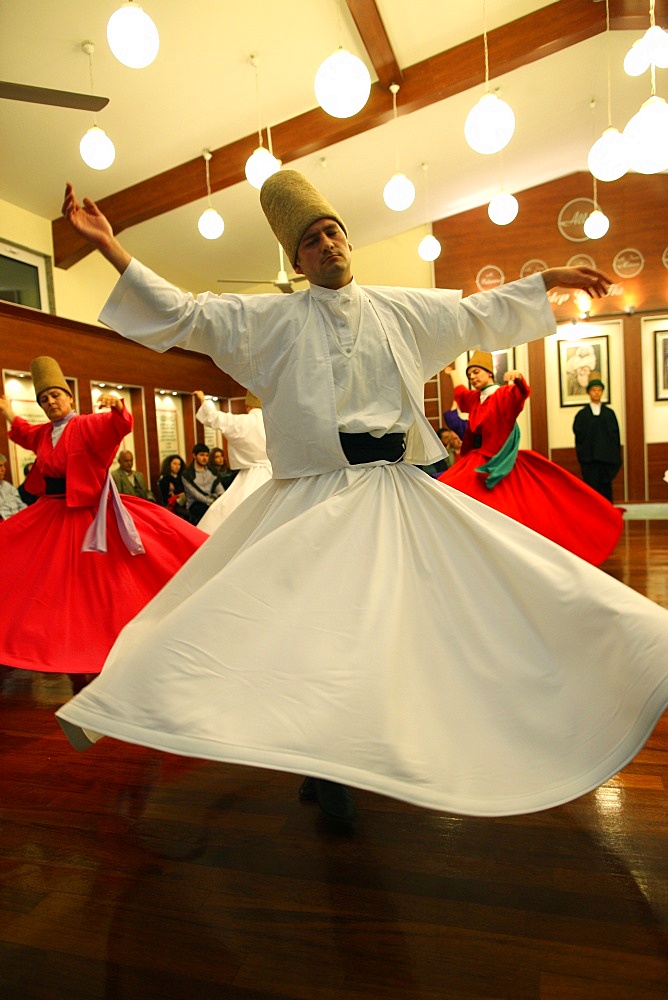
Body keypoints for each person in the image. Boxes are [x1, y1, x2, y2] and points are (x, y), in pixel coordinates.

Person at [55, 174, 668, 826]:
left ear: (347, 240)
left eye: (332, 232)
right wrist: (108, 247)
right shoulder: (267, 321)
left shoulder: (397, 308)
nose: (327, 245)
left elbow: (473, 314)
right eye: (311, 242)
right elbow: (186, 314)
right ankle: (326, 764)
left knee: (481, 592)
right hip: (313, 501)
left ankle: (608, 660)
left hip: (394, 492)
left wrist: (546, 280)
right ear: (297, 262)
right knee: (319, 635)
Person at [0, 356, 207, 684]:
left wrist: (117, 408)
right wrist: (9, 412)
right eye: (43, 399)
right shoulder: (44, 434)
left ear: (69, 397)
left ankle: (109, 643)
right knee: (29, 565)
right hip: (53, 513)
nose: (51, 403)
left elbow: (119, 426)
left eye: (55, 395)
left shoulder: (85, 425)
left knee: (101, 584)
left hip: (90, 515)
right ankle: (58, 645)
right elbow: (25, 434)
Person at [437, 355, 623, 564]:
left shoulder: (503, 394)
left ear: (489, 373)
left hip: (497, 461)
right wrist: (453, 373)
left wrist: (518, 378)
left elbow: (520, 395)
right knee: (448, 489)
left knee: (522, 512)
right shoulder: (474, 399)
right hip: (478, 460)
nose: (472, 377)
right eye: (470, 374)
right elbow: (460, 392)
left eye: (476, 372)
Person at [194, 389, 272, 534]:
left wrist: (203, 400)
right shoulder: (274, 423)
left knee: (229, 517)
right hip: (276, 475)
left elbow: (213, 417)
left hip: (251, 477)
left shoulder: (243, 422)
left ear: (247, 406)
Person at [572, 371, 622, 502]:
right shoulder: (582, 415)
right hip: (590, 461)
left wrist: (613, 456)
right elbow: (579, 436)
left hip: (606, 460)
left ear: (602, 392)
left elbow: (615, 437)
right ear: (589, 392)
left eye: (599, 390)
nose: (596, 393)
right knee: (591, 491)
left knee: (606, 491)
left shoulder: (609, 414)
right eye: (594, 390)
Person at [180, 442, 225, 525]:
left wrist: (223, 498)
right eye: (201, 455)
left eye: (207, 455)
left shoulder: (212, 471)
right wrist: (210, 502)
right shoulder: (187, 474)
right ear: (194, 456)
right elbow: (195, 494)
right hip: (196, 504)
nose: (204, 458)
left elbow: (219, 487)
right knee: (206, 510)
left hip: (213, 500)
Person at [157, 453, 190, 520]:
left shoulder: (183, 478)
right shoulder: (164, 480)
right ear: (169, 465)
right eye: (174, 464)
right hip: (172, 506)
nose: (177, 466)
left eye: (179, 464)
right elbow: (165, 498)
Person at [0, 453, 27, 519]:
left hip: (18, 522)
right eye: (0, 466)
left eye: (3, 466)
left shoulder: (8, 486)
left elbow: (21, 505)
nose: (3, 469)